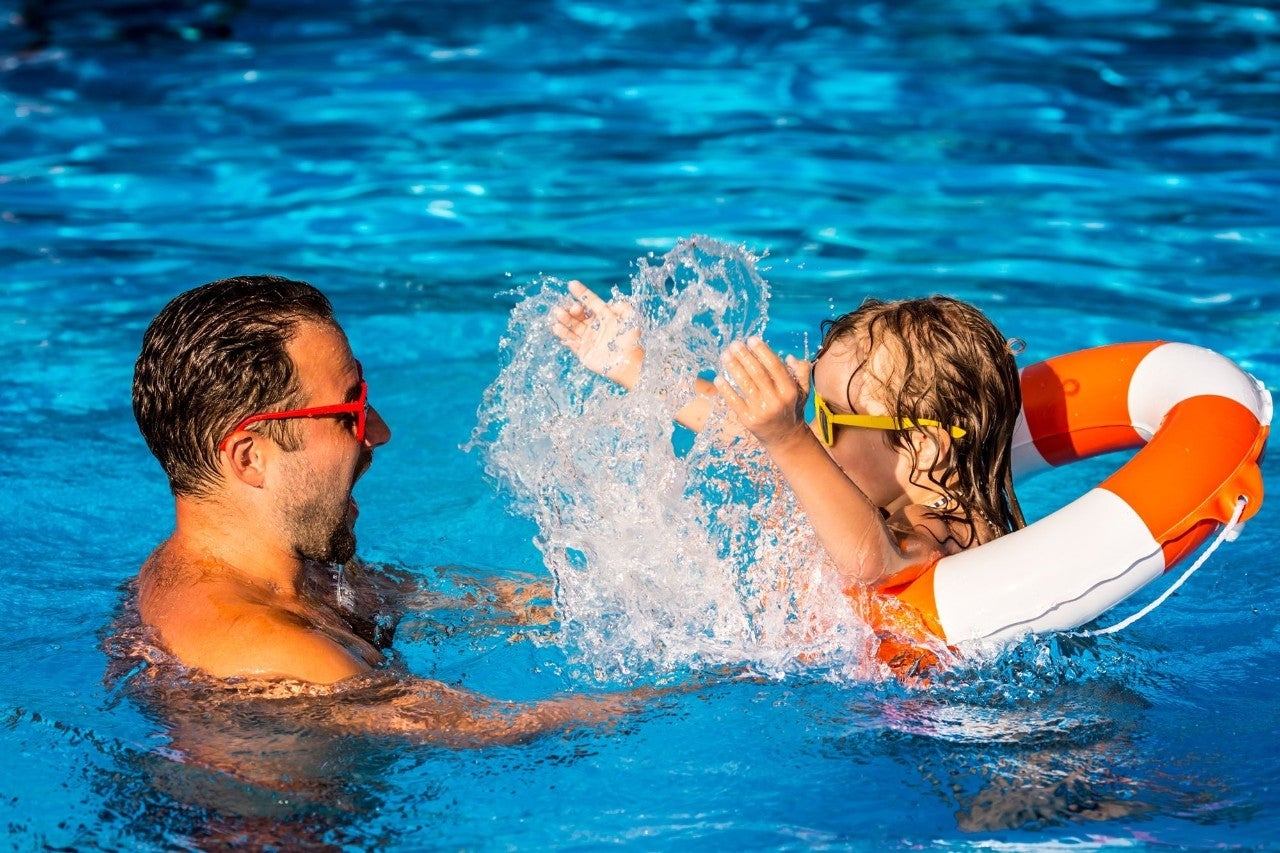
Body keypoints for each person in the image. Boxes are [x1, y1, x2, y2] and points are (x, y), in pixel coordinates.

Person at [129, 275, 647, 744]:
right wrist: (715, 680)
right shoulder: (281, 657)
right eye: (348, 412)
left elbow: (460, 599)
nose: (378, 432)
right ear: (250, 457)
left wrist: (644, 597)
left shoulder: (272, 573)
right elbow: (497, 729)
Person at [552, 279, 1025, 594]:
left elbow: (875, 563)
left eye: (832, 417)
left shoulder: (946, 528)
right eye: (812, 414)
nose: (817, 433)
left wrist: (789, 439)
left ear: (923, 445)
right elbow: (737, 427)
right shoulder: (909, 488)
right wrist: (628, 364)